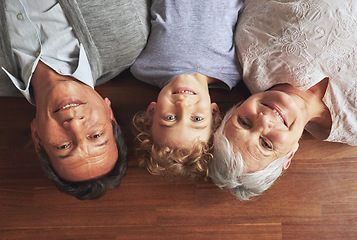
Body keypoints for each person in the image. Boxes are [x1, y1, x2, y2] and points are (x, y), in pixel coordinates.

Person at [0, 0, 149, 200]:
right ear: (109, 114)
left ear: (37, 138)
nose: (74, 125)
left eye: (64, 146)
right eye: (96, 136)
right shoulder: (126, 36)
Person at [209, 0, 357, 200]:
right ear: (289, 156)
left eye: (243, 122)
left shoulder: (253, 46)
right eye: (266, 144)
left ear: (234, 109)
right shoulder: (353, 126)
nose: (263, 121)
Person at [131, 0, 243, 178]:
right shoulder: (234, 71)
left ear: (151, 112)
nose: (183, 105)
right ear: (214, 112)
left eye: (169, 117)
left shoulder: (143, 66)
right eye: (197, 118)